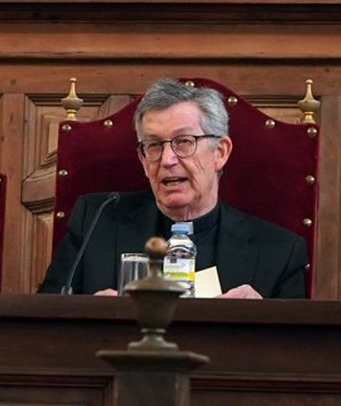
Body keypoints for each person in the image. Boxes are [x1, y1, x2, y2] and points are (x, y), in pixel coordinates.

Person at [39, 77, 307, 298]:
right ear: (143, 160)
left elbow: (296, 354)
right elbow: (46, 324)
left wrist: (262, 325)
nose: (167, 160)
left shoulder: (279, 252)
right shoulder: (95, 223)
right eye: (154, 145)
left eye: (184, 142)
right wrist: (86, 319)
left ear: (220, 152)